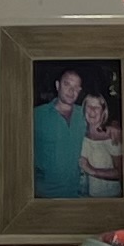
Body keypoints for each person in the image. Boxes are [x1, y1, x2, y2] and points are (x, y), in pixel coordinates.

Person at [31, 65, 90, 198]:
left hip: (78, 192)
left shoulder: (85, 114)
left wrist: (113, 126)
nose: (71, 91)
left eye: (76, 87)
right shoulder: (36, 115)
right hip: (45, 194)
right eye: (67, 84)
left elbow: (102, 124)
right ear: (57, 85)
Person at [82, 81, 124, 203]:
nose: (92, 110)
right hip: (83, 197)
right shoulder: (80, 134)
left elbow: (121, 173)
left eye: (97, 107)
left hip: (109, 199)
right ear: (84, 109)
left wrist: (92, 170)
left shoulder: (112, 136)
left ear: (103, 112)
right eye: (89, 106)